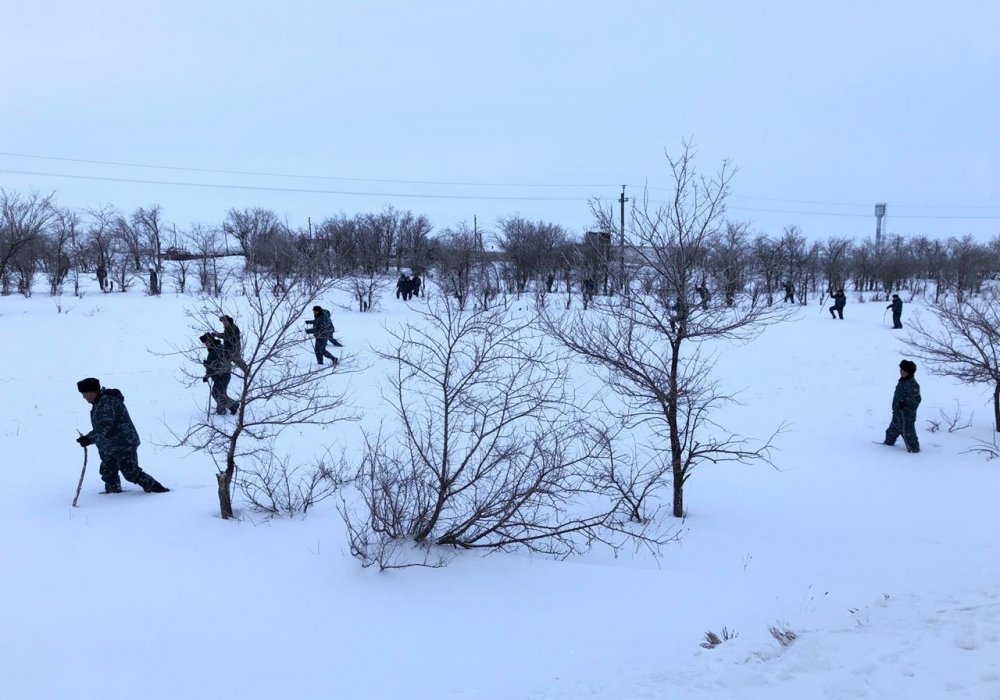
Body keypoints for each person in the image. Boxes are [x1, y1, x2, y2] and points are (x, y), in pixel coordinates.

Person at [75, 378, 169, 493]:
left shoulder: (107, 402)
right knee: (107, 470)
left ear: (92, 392)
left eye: (84, 393)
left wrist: (89, 439)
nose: (83, 397)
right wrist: (89, 438)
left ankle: (157, 489)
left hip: (124, 443)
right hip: (108, 444)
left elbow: (104, 425)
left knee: (131, 472)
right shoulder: (99, 402)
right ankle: (113, 492)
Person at [882, 359, 921, 453]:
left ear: (908, 372)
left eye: (903, 370)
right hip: (897, 412)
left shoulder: (913, 384)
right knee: (892, 429)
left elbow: (917, 400)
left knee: (908, 433)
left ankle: (914, 449)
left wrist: (905, 403)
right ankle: (888, 443)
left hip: (906, 415)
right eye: (900, 369)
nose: (900, 371)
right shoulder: (902, 381)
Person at [201, 334, 240, 415]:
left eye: (207, 342)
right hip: (221, 376)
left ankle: (233, 405)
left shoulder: (216, 350)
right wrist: (207, 375)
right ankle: (221, 410)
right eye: (205, 343)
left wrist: (208, 364)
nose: (206, 344)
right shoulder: (216, 349)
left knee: (216, 393)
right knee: (220, 393)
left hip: (222, 376)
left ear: (211, 340)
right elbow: (213, 366)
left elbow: (221, 364)